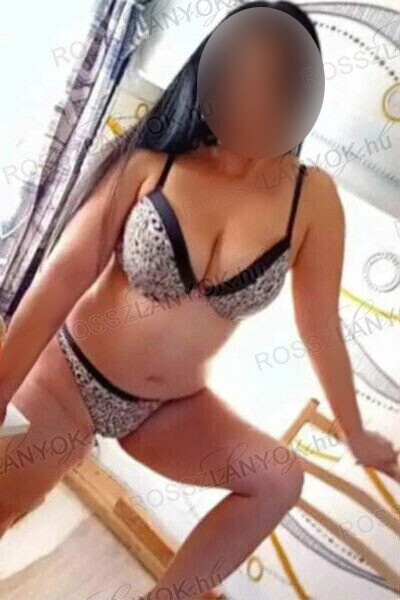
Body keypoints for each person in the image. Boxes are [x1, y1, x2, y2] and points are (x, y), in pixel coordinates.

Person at [0, 2, 398, 599]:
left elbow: (320, 325)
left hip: (168, 408)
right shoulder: (153, 164)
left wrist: (355, 432)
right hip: (70, 378)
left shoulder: (311, 199)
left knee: (278, 479)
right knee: (5, 508)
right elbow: (63, 277)